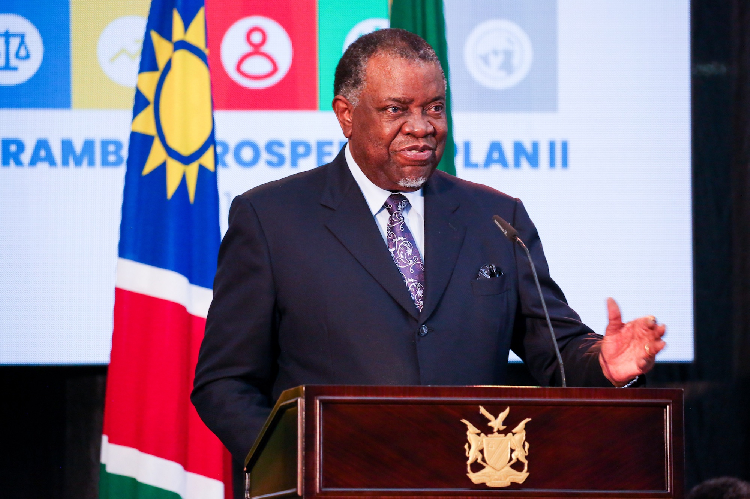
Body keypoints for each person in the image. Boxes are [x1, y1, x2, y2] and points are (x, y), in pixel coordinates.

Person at [191, 28, 666, 494]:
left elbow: (555, 349)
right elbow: (224, 382)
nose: (421, 127)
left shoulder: (496, 219)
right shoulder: (271, 219)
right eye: (396, 109)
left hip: (470, 483)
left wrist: (603, 364)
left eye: (434, 108)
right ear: (346, 115)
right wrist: (298, 465)